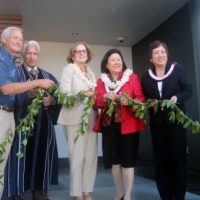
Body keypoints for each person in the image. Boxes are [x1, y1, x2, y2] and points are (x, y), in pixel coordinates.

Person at [2, 40, 61, 200]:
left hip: (44, 127)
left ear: (39, 56)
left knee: (43, 159)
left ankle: (40, 194)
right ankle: (18, 194)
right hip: (21, 125)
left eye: (35, 53)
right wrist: (27, 95)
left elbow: (59, 95)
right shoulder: (16, 74)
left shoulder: (48, 76)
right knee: (19, 158)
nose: (32, 56)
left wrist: (52, 100)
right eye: (28, 53)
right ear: (23, 54)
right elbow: (9, 95)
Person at [141, 41, 193, 200]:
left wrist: (177, 98)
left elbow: (188, 90)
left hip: (176, 123)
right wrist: (148, 103)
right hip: (157, 125)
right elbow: (145, 98)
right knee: (161, 162)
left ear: (167, 54)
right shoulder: (146, 76)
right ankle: (165, 195)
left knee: (178, 161)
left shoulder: (177, 70)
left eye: (162, 52)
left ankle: (178, 196)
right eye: (156, 52)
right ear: (151, 58)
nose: (160, 55)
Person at [93, 49, 145, 200]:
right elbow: (95, 102)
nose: (117, 62)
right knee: (114, 161)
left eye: (119, 59)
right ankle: (118, 194)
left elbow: (140, 100)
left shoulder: (132, 77)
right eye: (113, 60)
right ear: (106, 64)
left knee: (128, 162)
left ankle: (127, 196)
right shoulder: (101, 81)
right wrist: (104, 97)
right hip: (109, 126)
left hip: (129, 126)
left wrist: (130, 102)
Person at [57, 42, 98, 200]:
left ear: (88, 54)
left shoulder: (91, 73)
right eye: (78, 51)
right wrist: (80, 95)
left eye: (84, 51)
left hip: (91, 118)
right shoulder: (68, 70)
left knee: (90, 157)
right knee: (77, 157)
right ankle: (76, 193)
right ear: (72, 55)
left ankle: (86, 191)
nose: (81, 53)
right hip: (74, 118)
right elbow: (64, 95)